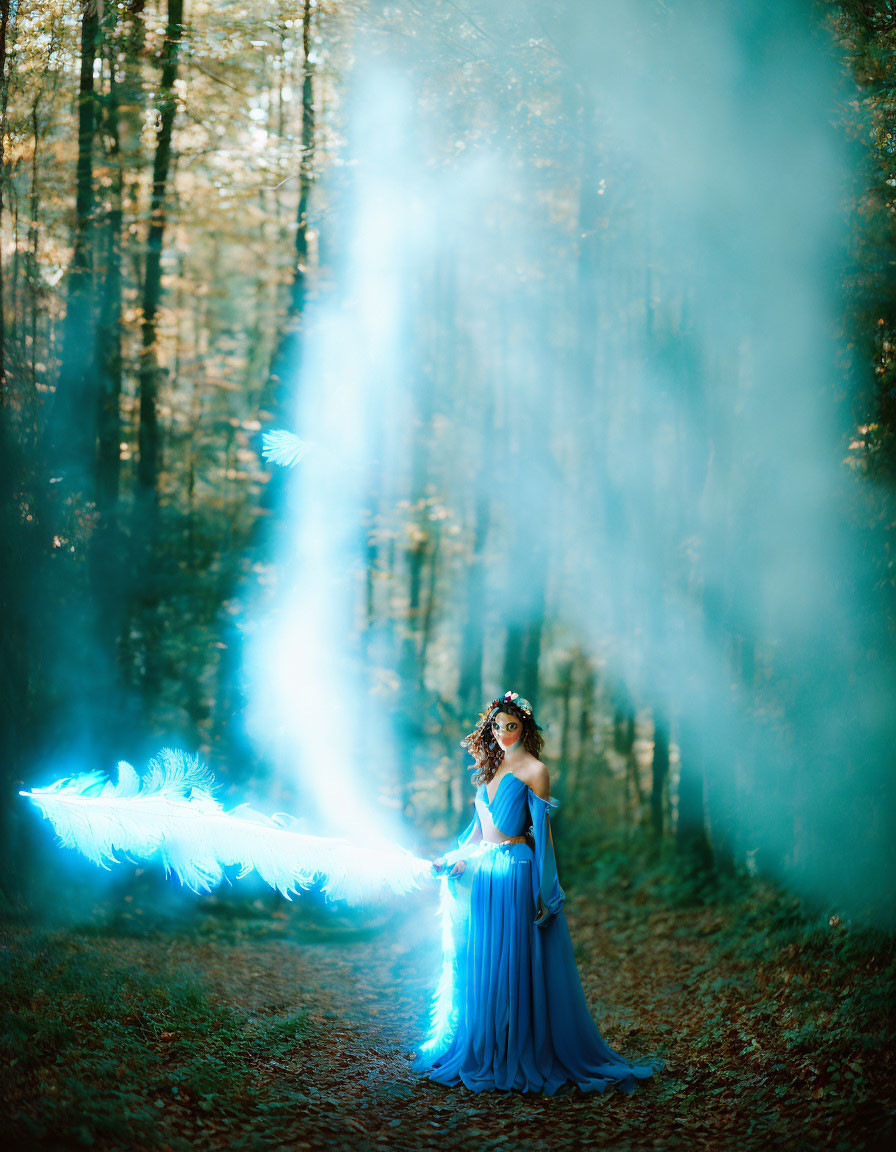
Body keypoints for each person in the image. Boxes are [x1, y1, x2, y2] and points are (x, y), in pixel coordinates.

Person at [413, 690, 664, 1096]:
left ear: (525, 728)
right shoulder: (487, 770)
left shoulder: (536, 771)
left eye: (511, 726)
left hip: (515, 872)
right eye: (497, 726)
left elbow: (542, 837)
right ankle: (487, 1047)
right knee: (485, 966)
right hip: (484, 874)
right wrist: (455, 859)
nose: (503, 733)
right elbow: (476, 834)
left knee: (513, 965)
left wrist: (548, 890)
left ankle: (520, 1050)